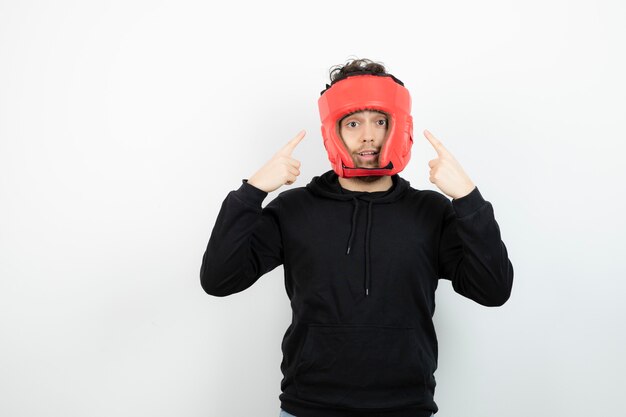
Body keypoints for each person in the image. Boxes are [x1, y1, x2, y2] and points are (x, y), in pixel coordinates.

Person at [200, 58, 514, 417]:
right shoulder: (294, 209)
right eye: (353, 123)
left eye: (380, 121)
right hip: (308, 407)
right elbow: (219, 280)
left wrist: (468, 199)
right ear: (332, 131)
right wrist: (252, 191)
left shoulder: (431, 211)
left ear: (400, 126)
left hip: (406, 407)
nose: (368, 136)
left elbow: (494, 291)